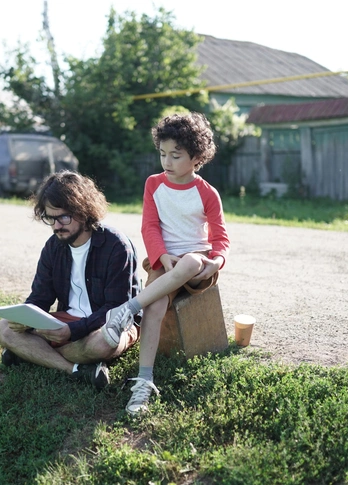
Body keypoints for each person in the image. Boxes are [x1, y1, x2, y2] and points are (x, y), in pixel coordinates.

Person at [101, 112, 230, 415]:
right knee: (154, 308)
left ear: (197, 158)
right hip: (163, 259)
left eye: (176, 155)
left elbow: (220, 236)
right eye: (162, 154)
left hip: (197, 265)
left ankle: (126, 310)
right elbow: (149, 226)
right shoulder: (153, 185)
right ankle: (144, 382)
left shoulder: (207, 193)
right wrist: (161, 256)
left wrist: (218, 261)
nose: (167, 162)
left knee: (190, 262)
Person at [0, 171, 140, 389]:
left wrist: (71, 332)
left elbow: (116, 308)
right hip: (67, 321)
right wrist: (24, 318)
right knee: (2, 328)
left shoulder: (116, 245)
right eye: (50, 218)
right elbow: (40, 297)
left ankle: (29, 354)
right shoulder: (53, 246)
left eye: (63, 217)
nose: (56, 226)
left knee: (104, 343)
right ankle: (75, 370)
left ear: (83, 210)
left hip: (109, 324)